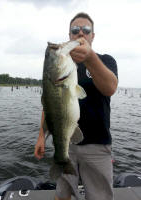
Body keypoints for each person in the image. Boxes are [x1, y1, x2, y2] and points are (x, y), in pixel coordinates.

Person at [34, 12, 118, 200]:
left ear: (92, 36)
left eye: (86, 29)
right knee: (62, 194)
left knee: (100, 197)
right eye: (75, 30)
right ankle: (61, 162)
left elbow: (110, 88)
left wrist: (89, 58)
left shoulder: (106, 61)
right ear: (69, 35)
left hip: (98, 145)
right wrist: (41, 137)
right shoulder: (66, 63)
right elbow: (49, 103)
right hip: (67, 145)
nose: (80, 33)